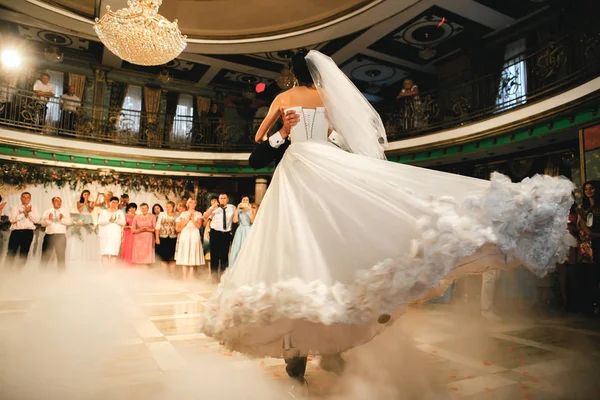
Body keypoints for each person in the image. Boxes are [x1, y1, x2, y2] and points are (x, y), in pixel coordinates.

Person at [200, 50, 575, 385]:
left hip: (299, 176)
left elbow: (256, 151)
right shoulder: (330, 101)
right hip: (330, 173)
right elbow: (351, 137)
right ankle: (322, 349)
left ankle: (303, 350)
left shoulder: (283, 98)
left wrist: (281, 132)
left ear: (291, 76)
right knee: (333, 261)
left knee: (295, 261)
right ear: (319, 76)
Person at [203, 193, 235, 282]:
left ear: (227, 199)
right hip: (215, 233)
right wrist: (212, 208)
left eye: (225, 198)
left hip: (226, 233)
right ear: (219, 199)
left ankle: (223, 277)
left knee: (224, 255)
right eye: (221, 198)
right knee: (214, 255)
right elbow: (204, 216)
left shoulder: (232, 207)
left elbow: (235, 218)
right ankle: (213, 277)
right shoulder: (214, 208)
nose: (223, 200)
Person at [6, 192, 39, 268]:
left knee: (24, 253)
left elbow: (36, 220)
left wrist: (29, 213)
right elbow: (12, 220)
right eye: (24, 197)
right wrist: (24, 213)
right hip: (16, 232)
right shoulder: (15, 207)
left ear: (30, 199)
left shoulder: (34, 208)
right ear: (21, 198)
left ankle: (19, 272)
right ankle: (6, 272)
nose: (25, 199)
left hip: (28, 232)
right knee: (11, 252)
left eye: (27, 197)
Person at [175, 198, 204, 280]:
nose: (192, 204)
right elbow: (181, 226)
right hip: (185, 233)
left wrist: (192, 219)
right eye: (191, 203)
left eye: (194, 203)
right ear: (188, 204)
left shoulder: (198, 213)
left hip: (194, 233)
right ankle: (184, 276)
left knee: (193, 252)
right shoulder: (183, 214)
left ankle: (191, 276)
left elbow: (198, 226)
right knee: (185, 252)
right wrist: (188, 218)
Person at [40, 196, 72, 269]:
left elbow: (69, 222)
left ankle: (61, 275)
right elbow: (42, 223)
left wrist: (62, 219)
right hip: (49, 236)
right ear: (52, 202)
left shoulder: (65, 211)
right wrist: (49, 220)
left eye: (60, 201)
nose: (59, 203)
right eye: (57, 201)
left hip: (61, 236)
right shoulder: (47, 212)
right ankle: (41, 274)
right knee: (45, 256)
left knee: (61, 257)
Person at [229, 196, 257, 265]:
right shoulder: (239, 210)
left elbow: (252, 221)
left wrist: (250, 210)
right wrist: (238, 208)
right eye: (243, 199)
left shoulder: (252, 209)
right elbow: (235, 220)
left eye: (247, 200)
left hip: (248, 229)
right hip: (240, 230)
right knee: (237, 247)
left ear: (249, 202)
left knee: (247, 247)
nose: (245, 201)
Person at [98, 196, 125, 265]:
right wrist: (108, 221)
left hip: (115, 235)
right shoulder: (103, 211)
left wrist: (115, 220)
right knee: (105, 253)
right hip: (105, 235)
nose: (114, 204)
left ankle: (112, 271)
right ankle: (105, 271)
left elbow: (123, 223)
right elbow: (100, 222)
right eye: (113, 202)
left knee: (114, 253)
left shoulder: (120, 212)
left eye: (116, 203)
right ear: (109, 203)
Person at [155, 201, 178, 272]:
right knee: (163, 257)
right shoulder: (162, 214)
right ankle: (164, 274)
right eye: (166, 207)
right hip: (163, 237)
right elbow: (157, 226)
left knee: (172, 257)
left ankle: (172, 273)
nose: (168, 208)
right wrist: (157, 238)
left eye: (169, 207)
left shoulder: (177, 214)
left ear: (173, 207)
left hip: (173, 237)